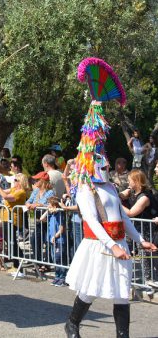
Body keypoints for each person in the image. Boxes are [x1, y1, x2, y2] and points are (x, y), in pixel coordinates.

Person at [65, 58, 157, 338]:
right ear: (90, 163)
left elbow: (121, 218)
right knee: (90, 291)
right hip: (99, 245)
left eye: (105, 159)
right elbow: (93, 221)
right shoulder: (86, 189)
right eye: (100, 159)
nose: (105, 163)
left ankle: (122, 336)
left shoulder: (110, 189)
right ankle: (72, 324)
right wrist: (112, 245)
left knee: (120, 293)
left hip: (117, 243)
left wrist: (139, 240)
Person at [118, 169, 156, 287]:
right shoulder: (132, 192)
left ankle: (148, 282)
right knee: (126, 248)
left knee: (144, 255)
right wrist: (121, 194)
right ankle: (123, 277)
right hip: (133, 228)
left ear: (136, 181)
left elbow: (130, 213)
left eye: (130, 180)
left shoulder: (145, 197)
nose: (128, 182)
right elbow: (120, 195)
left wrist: (117, 204)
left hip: (145, 229)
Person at [0, 173, 30, 270]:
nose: (13, 182)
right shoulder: (14, 189)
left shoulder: (21, 192)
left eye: (15, 180)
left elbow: (6, 197)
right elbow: (3, 192)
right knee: (9, 239)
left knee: (11, 240)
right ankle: (18, 259)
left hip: (13, 218)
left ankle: (17, 262)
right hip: (7, 217)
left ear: (20, 182)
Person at [26, 171, 54, 270]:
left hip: (47, 221)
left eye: (37, 179)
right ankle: (38, 262)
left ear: (42, 181)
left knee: (47, 242)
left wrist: (35, 204)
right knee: (34, 240)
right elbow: (29, 201)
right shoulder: (36, 191)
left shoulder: (50, 192)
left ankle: (46, 264)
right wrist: (30, 204)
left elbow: (43, 203)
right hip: (38, 220)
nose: (35, 181)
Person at [39, 197, 67, 286]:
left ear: (54, 205)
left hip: (59, 240)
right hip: (52, 240)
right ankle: (57, 276)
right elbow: (41, 218)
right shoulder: (51, 214)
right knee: (54, 258)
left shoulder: (60, 214)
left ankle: (62, 277)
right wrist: (47, 211)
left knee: (59, 259)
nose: (48, 206)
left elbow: (62, 229)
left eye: (49, 205)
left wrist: (55, 236)